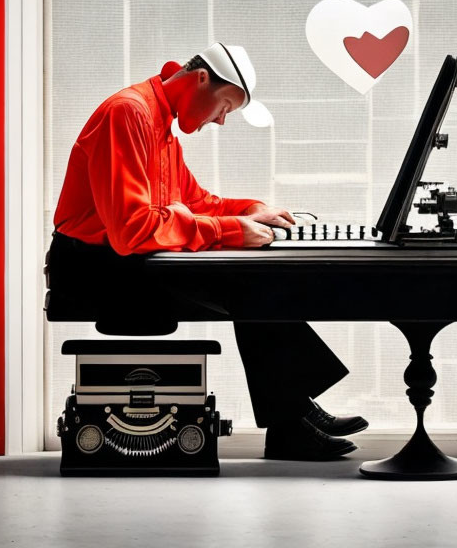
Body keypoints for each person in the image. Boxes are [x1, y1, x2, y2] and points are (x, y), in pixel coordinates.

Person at [46, 42, 368, 460]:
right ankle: (293, 417)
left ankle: (293, 417)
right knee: (248, 281)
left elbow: (196, 202)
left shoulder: (159, 125)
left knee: (255, 278)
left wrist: (251, 209)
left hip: (125, 264)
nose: (221, 121)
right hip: (94, 270)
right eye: (225, 107)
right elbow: (131, 231)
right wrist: (234, 231)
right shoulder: (128, 113)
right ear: (201, 79)